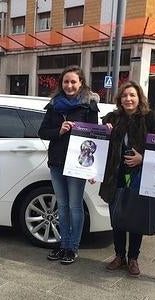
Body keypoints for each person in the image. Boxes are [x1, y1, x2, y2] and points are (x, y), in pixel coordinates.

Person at [98, 81, 155, 277]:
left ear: (139, 97)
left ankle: (133, 258)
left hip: (140, 175)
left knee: (136, 218)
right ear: (120, 99)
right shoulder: (111, 119)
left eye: (132, 95)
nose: (128, 99)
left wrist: (143, 159)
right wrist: (105, 131)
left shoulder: (152, 119)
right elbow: (99, 147)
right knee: (117, 217)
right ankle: (119, 256)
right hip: (115, 175)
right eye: (125, 96)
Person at [38, 65, 99, 265]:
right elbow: (43, 132)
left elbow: (94, 138)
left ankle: (73, 247)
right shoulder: (54, 105)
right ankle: (63, 244)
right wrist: (59, 131)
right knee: (62, 206)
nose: (70, 85)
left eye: (73, 82)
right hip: (56, 162)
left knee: (75, 206)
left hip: (77, 165)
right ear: (61, 83)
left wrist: (92, 168)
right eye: (66, 81)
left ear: (81, 83)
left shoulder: (88, 106)